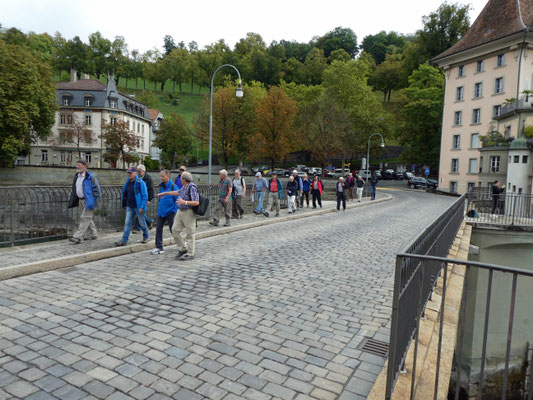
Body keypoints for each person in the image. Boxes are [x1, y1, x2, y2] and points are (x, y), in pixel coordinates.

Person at [159, 171, 199, 260]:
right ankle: (182, 249)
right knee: (174, 230)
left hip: (188, 212)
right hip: (180, 211)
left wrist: (184, 202)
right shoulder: (184, 187)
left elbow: (196, 202)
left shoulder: (192, 187)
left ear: (184, 179)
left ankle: (190, 253)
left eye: (181, 178)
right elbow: (177, 192)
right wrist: (165, 193)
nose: (180, 180)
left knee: (190, 232)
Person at [67, 160, 101, 244]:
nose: (77, 167)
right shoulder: (77, 177)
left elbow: (97, 190)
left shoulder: (90, 177)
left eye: (79, 165)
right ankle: (94, 234)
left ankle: (77, 237)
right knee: (87, 218)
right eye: (76, 165)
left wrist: (92, 200)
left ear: (85, 166)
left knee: (84, 218)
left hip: (88, 201)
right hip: (80, 200)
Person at [115, 167, 149, 246]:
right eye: (128, 173)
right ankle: (124, 240)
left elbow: (145, 196)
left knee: (142, 223)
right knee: (127, 223)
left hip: (138, 207)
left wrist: (142, 206)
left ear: (136, 173)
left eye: (131, 173)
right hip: (130, 206)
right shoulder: (128, 182)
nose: (129, 174)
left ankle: (146, 236)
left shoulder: (140, 182)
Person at [151, 170, 178, 255]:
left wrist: (174, 210)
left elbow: (178, 200)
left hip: (170, 212)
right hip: (161, 212)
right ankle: (159, 247)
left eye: (162, 176)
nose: (161, 178)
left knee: (173, 230)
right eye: (160, 176)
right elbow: (160, 199)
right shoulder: (161, 187)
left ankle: (181, 243)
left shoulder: (173, 187)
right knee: (158, 229)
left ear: (168, 176)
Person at [133, 164, 154, 232]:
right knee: (139, 212)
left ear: (143, 171)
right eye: (137, 171)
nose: (138, 173)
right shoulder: (137, 178)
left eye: (139, 171)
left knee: (139, 212)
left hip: (144, 198)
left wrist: (149, 199)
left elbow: (151, 189)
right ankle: (149, 221)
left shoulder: (148, 178)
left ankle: (137, 227)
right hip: (139, 198)